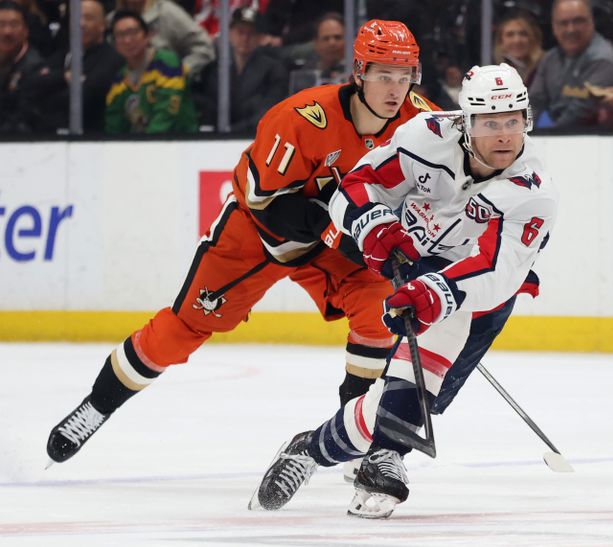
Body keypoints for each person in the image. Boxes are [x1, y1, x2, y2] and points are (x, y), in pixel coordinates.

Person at [46, 20, 436, 467]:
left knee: (379, 312)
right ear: (359, 72)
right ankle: (95, 408)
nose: (395, 88)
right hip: (260, 233)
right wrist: (341, 231)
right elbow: (265, 203)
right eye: (384, 75)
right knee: (181, 331)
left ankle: (348, 435)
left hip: (337, 240)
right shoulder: (301, 118)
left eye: (404, 76)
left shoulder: (421, 122)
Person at [249, 63, 557, 519]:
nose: (504, 135)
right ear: (465, 122)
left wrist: (434, 290)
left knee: (424, 398)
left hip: (484, 293)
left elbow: (495, 270)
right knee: (411, 392)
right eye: (491, 123)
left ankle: (309, 449)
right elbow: (355, 186)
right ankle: (384, 458)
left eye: (513, 121)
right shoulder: (426, 137)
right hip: (413, 259)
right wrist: (373, 227)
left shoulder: (532, 190)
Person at [529, 0, 613, 128]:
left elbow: (580, 114)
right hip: (558, 135)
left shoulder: (603, 60)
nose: (571, 29)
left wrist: (547, 138)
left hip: (595, 138)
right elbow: (534, 102)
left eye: (578, 21)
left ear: (591, 22)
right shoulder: (549, 59)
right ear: (554, 27)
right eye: (563, 23)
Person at [35, 0, 124, 133]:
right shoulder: (64, 54)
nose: (81, 23)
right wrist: (63, 77)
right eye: (76, 18)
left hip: (93, 138)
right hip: (52, 136)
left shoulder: (111, 58)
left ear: (103, 25)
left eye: (88, 18)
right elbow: (31, 85)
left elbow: (84, 96)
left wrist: (48, 93)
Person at [196, 6, 288, 132]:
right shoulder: (214, 68)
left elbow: (268, 112)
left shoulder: (274, 70)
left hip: (254, 137)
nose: (245, 39)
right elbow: (207, 104)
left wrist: (232, 131)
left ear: (261, 37)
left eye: (252, 33)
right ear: (230, 33)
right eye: (240, 32)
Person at [105, 10, 198, 133]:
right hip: (140, 148)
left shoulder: (166, 62)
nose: (127, 40)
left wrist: (148, 144)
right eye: (120, 35)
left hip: (180, 143)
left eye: (133, 32)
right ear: (115, 44)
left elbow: (167, 111)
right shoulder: (119, 81)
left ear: (147, 36)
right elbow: (114, 124)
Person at [115, 0, 215, 79]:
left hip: (169, 92)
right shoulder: (112, 21)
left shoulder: (166, 11)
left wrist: (177, 75)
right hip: (128, 92)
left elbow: (204, 47)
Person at [0, 0, 44, 133]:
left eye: (14, 24)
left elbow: (26, 117)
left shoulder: (35, 67)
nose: (7, 32)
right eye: (1, 24)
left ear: (25, 31)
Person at [287, 12, 346, 94]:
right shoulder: (306, 74)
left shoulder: (357, 71)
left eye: (337, 37)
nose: (332, 43)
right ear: (316, 44)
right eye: (326, 38)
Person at [493, 9, 544, 88]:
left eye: (523, 34)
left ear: (533, 37)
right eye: (510, 35)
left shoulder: (546, 66)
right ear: (501, 40)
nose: (517, 40)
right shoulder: (491, 71)